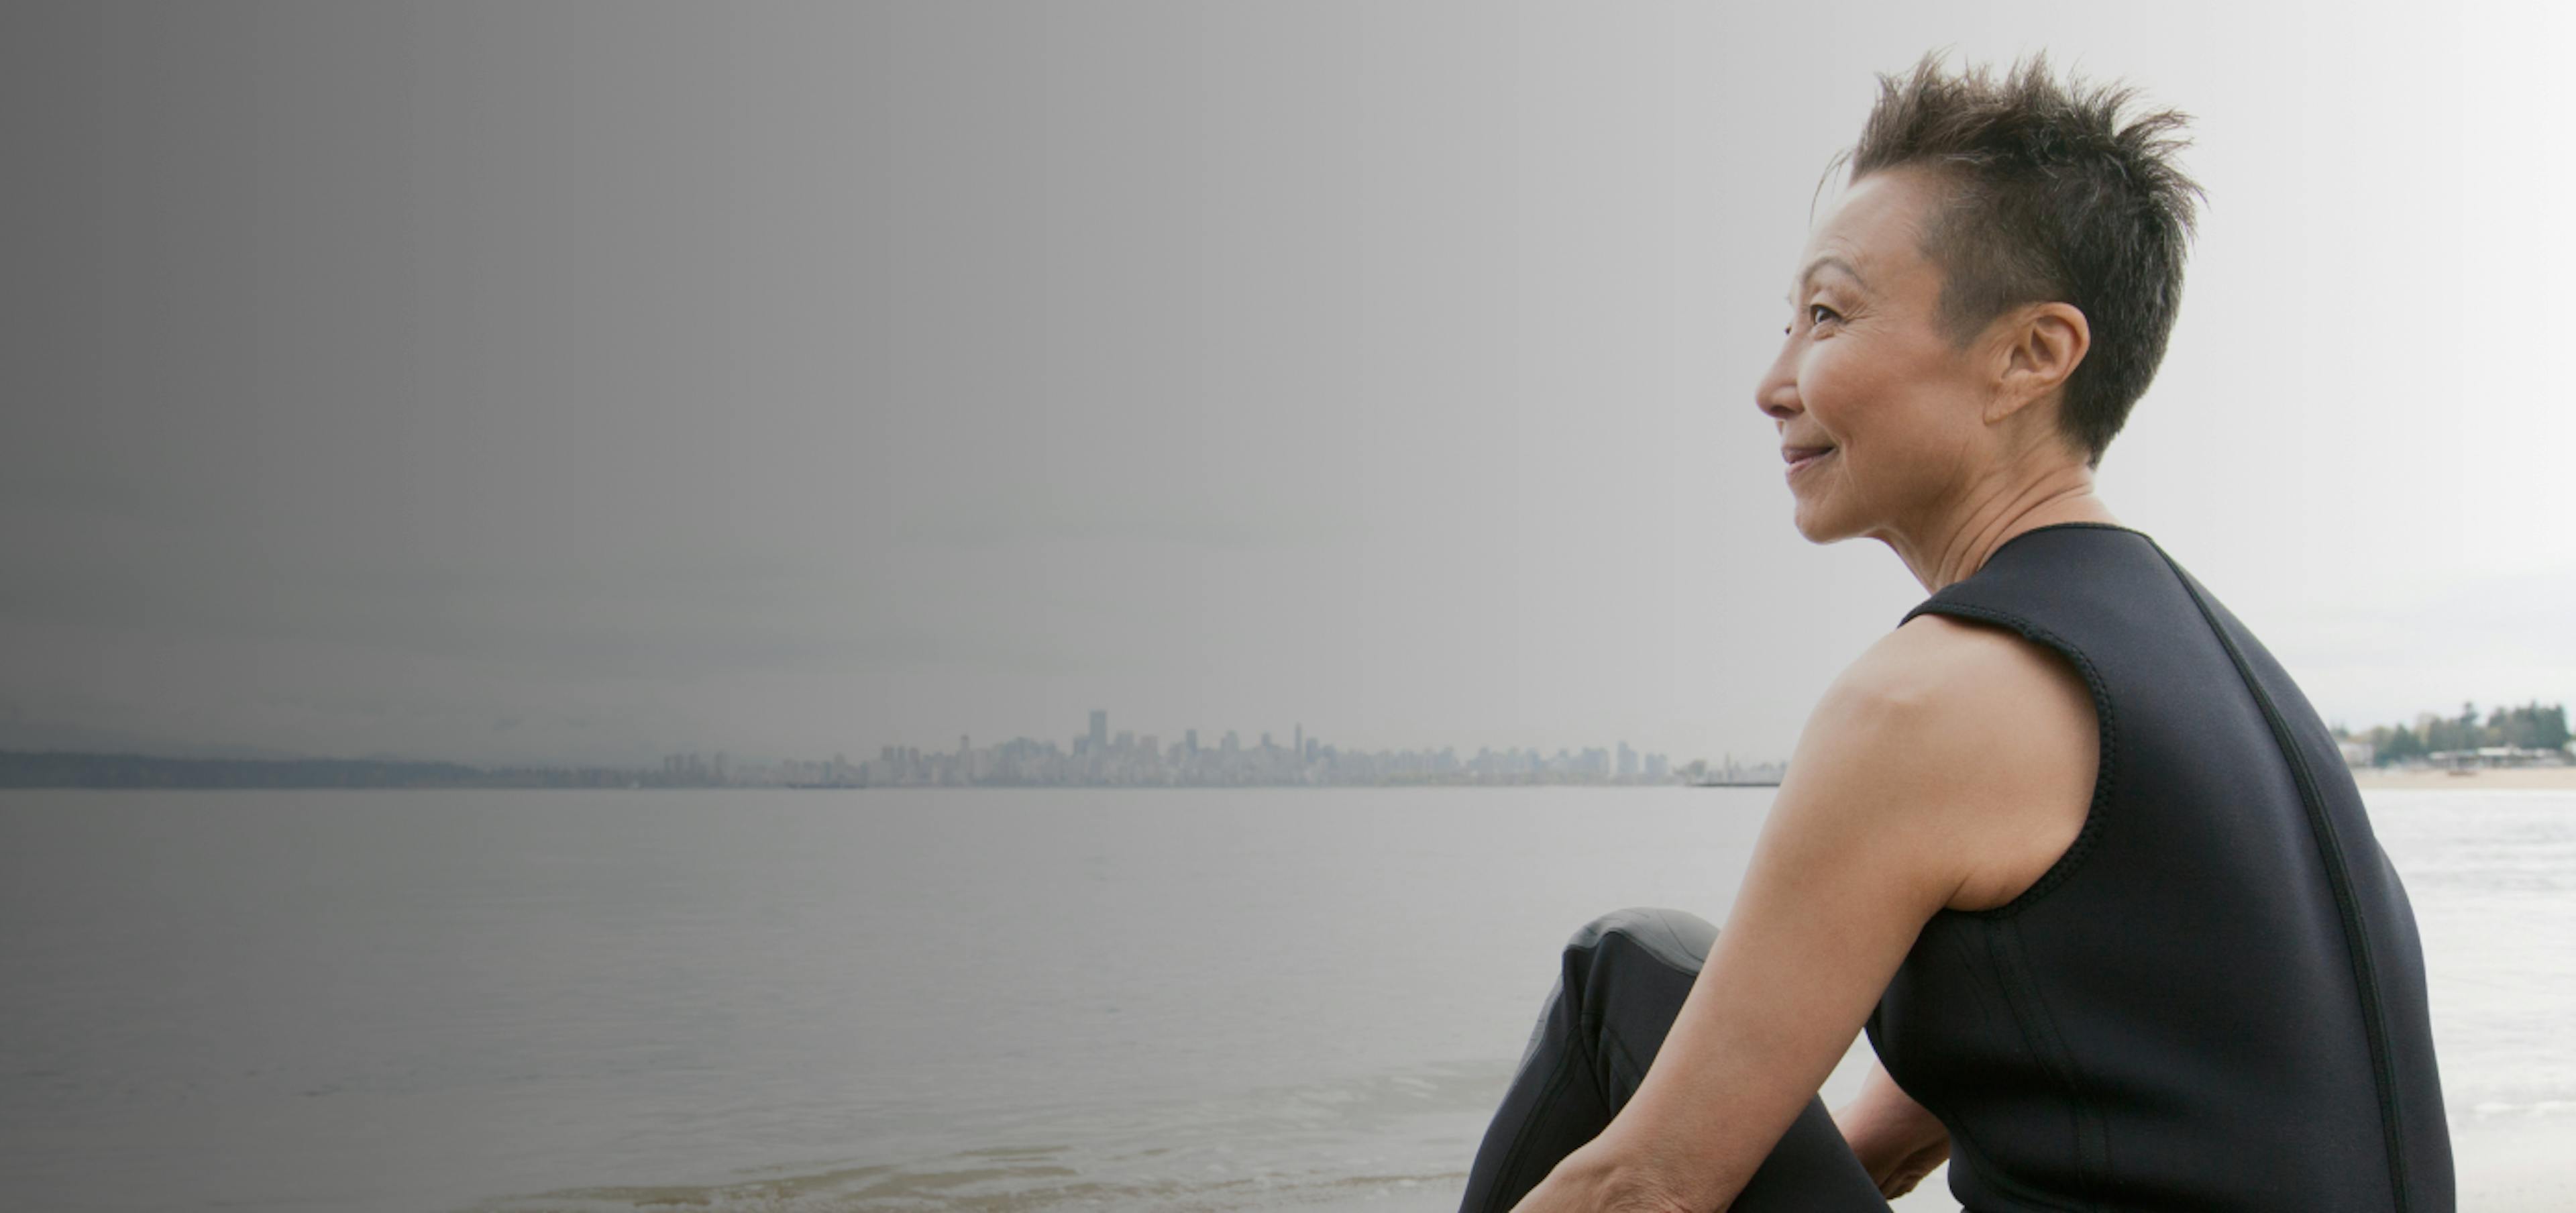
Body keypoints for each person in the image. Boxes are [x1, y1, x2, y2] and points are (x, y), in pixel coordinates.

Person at [1455, 51, 2454, 1213]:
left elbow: (1653, 1185)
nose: (1776, 381)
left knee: (1623, 977)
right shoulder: (2217, 672)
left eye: (1826, 315)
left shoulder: (1935, 700)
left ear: (2033, 356)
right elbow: (1901, 1133)